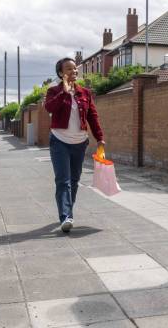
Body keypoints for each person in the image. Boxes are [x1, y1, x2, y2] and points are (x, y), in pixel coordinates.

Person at [44, 58, 105, 233]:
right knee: (63, 180)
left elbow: (93, 116)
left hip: (79, 143)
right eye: (69, 69)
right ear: (61, 73)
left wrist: (99, 137)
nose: (73, 72)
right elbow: (50, 108)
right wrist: (64, 91)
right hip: (59, 141)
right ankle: (66, 217)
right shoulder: (53, 91)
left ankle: (67, 211)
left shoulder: (84, 92)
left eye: (75, 69)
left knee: (74, 181)